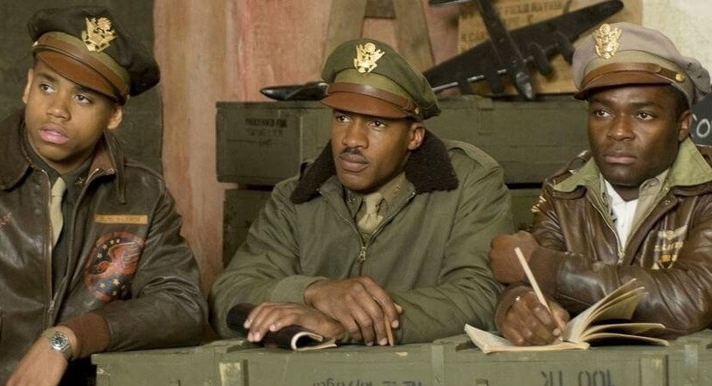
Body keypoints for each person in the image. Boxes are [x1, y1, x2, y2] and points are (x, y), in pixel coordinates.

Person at [0, 6, 207, 386]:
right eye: (46, 86)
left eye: (83, 98)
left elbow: (182, 305)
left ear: (114, 115)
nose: (57, 109)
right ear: (26, 87)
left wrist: (67, 338)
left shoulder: (143, 195)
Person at [208, 38, 514, 347]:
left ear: (414, 137)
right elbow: (228, 294)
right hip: (311, 385)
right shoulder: (296, 196)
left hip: (425, 380)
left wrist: (345, 324)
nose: (352, 139)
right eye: (341, 117)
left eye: (377, 123)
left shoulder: (468, 182)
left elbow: (481, 298)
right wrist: (313, 291)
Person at [489, 22, 712, 346]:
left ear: (682, 126)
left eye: (643, 116)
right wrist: (516, 308)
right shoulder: (565, 192)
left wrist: (546, 268)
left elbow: (690, 301)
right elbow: (526, 282)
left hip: (696, 383)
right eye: (601, 113)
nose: (618, 131)